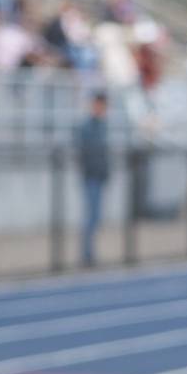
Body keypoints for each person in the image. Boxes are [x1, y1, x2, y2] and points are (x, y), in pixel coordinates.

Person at [76, 91, 110, 267]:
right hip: (91, 176)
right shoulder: (87, 126)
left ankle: (90, 253)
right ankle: (87, 254)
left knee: (96, 217)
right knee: (91, 217)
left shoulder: (103, 126)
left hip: (99, 176)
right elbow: (85, 153)